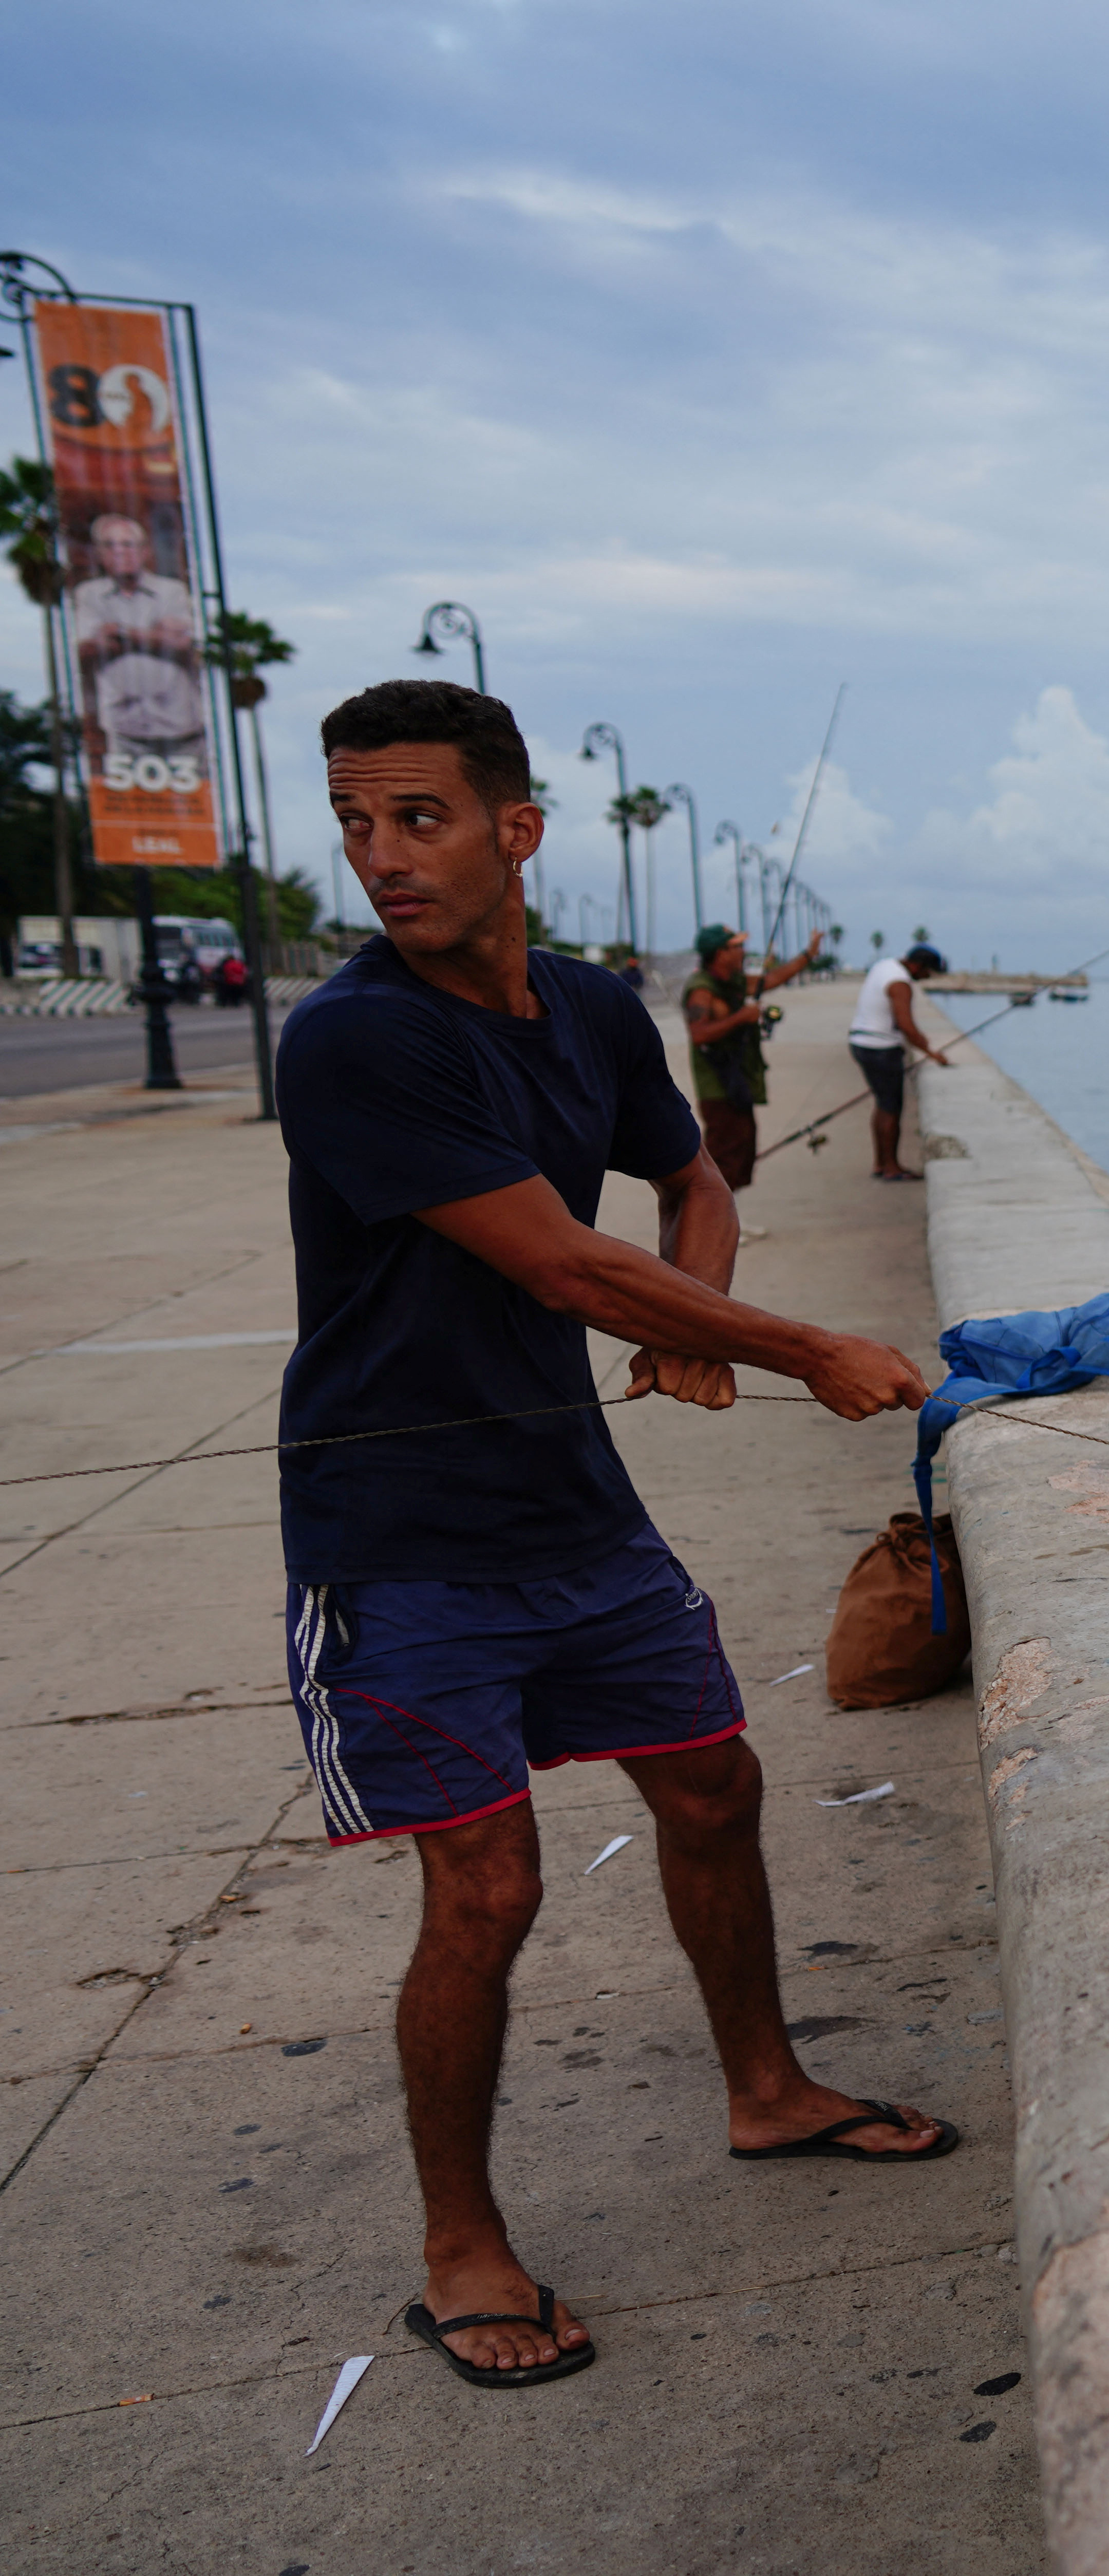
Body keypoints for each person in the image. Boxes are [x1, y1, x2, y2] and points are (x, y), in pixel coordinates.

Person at [281, 679, 947, 2389]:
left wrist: (696, 1312)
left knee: (713, 1783)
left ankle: (766, 2087)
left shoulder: (588, 1010)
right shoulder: (357, 1039)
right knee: (485, 1888)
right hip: (402, 1536)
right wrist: (801, 1349)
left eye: (416, 817)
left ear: (517, 830)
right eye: (354, 822)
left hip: (573, 1502)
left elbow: (691, 1179)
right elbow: (564, 1264)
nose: (379, 857)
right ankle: (460, 2244)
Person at [678, 919, 825, 1190]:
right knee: (723, 1154)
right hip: (718, 1086)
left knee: (742, 1151)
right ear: (721, 953)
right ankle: (715, 1228)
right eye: (738, 947)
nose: (744, 952)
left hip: (738, 1081)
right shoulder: (702, 989)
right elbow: (699, 1035)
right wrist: (741, 1018)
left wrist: (809, 954)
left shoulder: (731, 981)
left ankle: (728, 1225)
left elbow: (772, 979)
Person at [65, 509, 210, 771]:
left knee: (194, 803)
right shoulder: (89, 595)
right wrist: (155, 635)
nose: (120, 552)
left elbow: (185, 644)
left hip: (179, 725)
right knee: (130, 809)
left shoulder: (172, 591)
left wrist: (122, 633)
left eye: (128, 544)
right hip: (124, 728)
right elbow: (85, 647)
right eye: (110, 545)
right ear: (99, 554)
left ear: (145, 551)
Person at [846, 939, 954, 1180]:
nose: (927, 978)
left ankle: (880, 1164)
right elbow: (906, 1025)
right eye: (928, 972)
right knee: (892, 1108)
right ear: (917, 966)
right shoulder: (900, 983)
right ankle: (892, 1168)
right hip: (881, 1048)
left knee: (883, 1105)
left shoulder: (884, 966)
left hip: (861, 1042)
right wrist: (932, 1053)